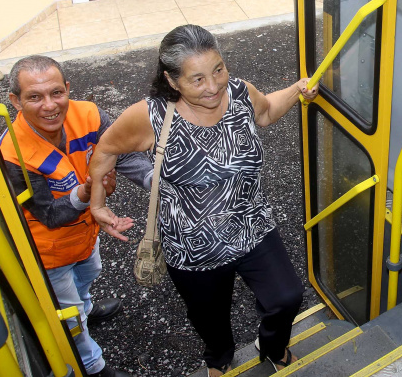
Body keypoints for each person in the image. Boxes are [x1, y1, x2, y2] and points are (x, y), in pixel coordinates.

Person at [87, 25, 318, 377]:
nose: (213, 86)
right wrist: (97, 204)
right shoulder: (150, 115)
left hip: (251, 226)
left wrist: (299, 89)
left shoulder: (240, 92)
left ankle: (272, 345)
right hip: (192, 246)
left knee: (286, 297)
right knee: (209, 317)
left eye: (218, 70)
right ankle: (219, 358)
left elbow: (267, 111)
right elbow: (105, 149)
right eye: (197, 79)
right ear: (172, 80)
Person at [0, 55, 153, 377]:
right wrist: (88, 194)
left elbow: (121, 153)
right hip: (49, 253)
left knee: (89, 274)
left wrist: (155, 182)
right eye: (34, 97)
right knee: (69, 318)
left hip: (86, 233)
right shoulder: (12, 153)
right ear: (15, 101)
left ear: (68, 88)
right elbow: (49, 215)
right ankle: (92, 366)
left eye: (56, 92)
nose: (49, 105)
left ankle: (86, 307)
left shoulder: (89, 115)